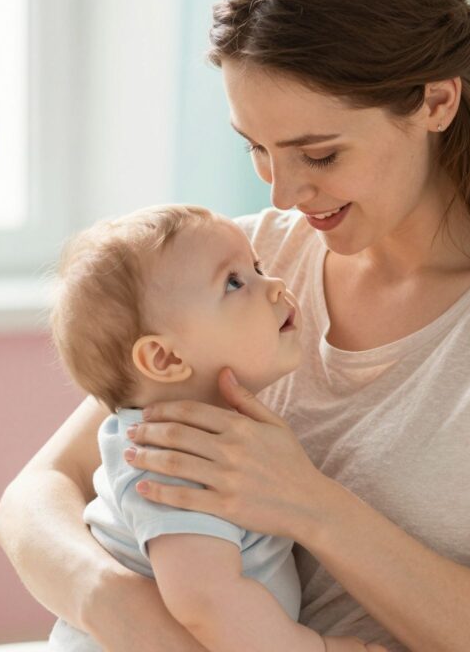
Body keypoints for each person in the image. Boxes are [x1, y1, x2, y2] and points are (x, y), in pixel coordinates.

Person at [0, 0, 470, 652]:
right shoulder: (244, 264)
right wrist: (122, 609)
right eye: (258, 149)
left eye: (319, 155)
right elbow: (34, 497)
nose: (282, 193)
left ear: (436, 101)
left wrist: (310, 504)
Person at [45, 204, 385, 652]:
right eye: (234, 283)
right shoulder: (170, 460)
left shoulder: (193, 435)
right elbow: (206, 602)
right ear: (165, 359)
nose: (275, 285)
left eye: (257, 267)